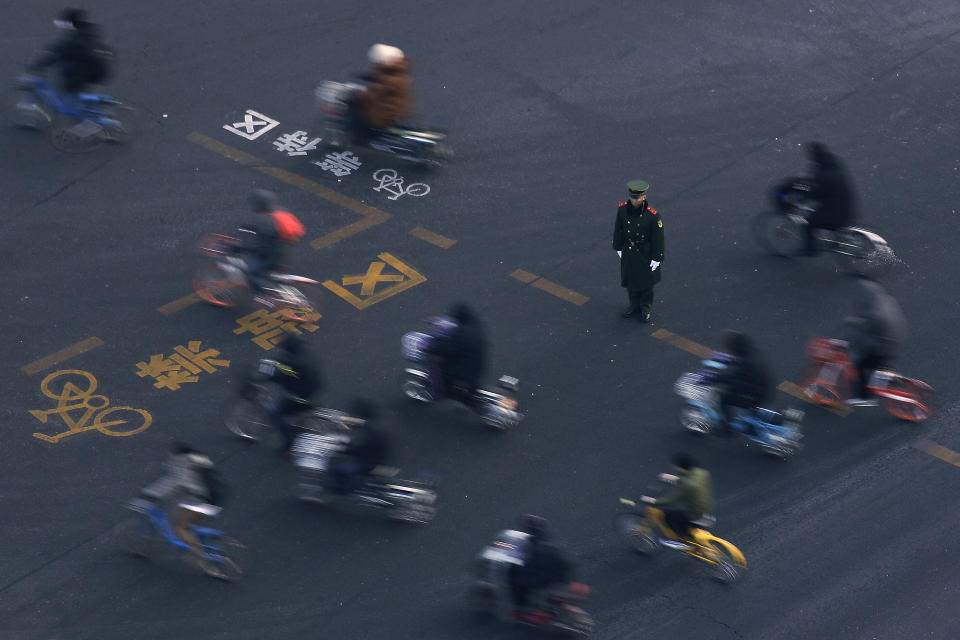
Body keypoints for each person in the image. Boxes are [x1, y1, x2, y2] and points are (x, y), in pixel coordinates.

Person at [142, 442, 222, 559]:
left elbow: (172, 483)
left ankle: (199, 555)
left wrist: (151, 494)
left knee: (179, 526)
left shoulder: (185, 466)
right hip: (215, 495)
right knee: (180, 510)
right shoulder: (201, 459)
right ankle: (193, 534)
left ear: (180, 456)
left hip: (201, 501)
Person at [843, 278, 907, 406]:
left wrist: (852, 326)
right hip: (896, 339)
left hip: (886, 346)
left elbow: (866, 327)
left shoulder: (876, 314)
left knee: (861, 365)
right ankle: (888, 375)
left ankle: (865, 397)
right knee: (878, 362)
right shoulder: (885, 301)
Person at [790, 142, 858, 255]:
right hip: (847, 207)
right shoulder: (833, 165)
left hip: (837, 214)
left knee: (809, 224)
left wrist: (801, 199)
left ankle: (811, 250)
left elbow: (816, 194)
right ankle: (838, 239)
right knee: (826, 216)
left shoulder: (822, 173)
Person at [237, 189, 305, 300]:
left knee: (251, 273)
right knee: (267, 273)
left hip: (274, 258)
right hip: (285, 253)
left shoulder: (264, 220)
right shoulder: (279, 214)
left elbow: (258, 244)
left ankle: (262, 295)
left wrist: (240, 248)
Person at [613, 179, 664, 323]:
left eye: (637, 198)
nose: (634, 201)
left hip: (645, 252)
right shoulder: (622, 209)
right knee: (631, 279)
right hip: (629, 250)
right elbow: (618, 229)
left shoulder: (653, 216)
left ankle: (645, 307)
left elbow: (658, 238)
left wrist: (657, 257)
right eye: (632, 197)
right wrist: (618, 246)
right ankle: (633, 304)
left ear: (644, 197)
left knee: (647, 282)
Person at [29, 9, 113, 96]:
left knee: (64, 72)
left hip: (85, 72)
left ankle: (70, 100)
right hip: (96, 70)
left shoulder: (75, 39)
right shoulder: (86, 32)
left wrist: (38, 65)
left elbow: (59, 53)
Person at [263, 333, 322, 453]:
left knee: (276, 412)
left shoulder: (295, 365)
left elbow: (281, 375)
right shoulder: (305, 354)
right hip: (314, 388)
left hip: (302, 398)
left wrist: (267, 376)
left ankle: (290, 445)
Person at [642, 453, 714, 548]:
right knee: (685, 520)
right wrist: (672, 478)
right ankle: (693, 538)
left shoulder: (688, 485)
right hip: (708, 512)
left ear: (680, 468)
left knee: (668, 516)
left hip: (697, 515)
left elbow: (672, 500)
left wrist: (652, 500)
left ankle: (677, 541)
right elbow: (691, 480)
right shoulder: (702, 473)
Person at [507, 515, 571, 617]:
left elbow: (521, 563)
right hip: (555, 577)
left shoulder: (529, 546)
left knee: (515, 578)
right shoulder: (551, 548)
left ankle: (521, 605)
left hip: (540, 579)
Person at [350, 44, 414, 144]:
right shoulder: (396, 72)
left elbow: (375, 94)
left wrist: (359, 94)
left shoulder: (391, 79)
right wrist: (364, 77)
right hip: (398, 110)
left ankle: (360, 141)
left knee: (361, 113)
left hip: (386, 115)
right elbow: (379, 79)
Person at [427, 302, 487, 406]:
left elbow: (445, 348)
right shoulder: (474, 326)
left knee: (442, 371)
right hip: (477, 364)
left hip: (466, 370)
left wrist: (430, 348)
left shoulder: (460, 333)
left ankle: (443, 394)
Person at [715, 331, 772, 435]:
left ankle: (726, 429)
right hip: (763, 389)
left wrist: (715, 378)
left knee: (724, 398)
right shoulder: (752, 354)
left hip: (754, 396)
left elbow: (732, 377)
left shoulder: (745, 363)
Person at [330, 399, 390, 494]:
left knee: (336, 470)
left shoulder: (368, 437)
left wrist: (341, 449)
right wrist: (343, 420)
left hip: (369, 465)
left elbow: (357, 450)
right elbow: (360, 424)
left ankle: (342, 491)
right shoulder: (374, 428)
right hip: (383, 460)